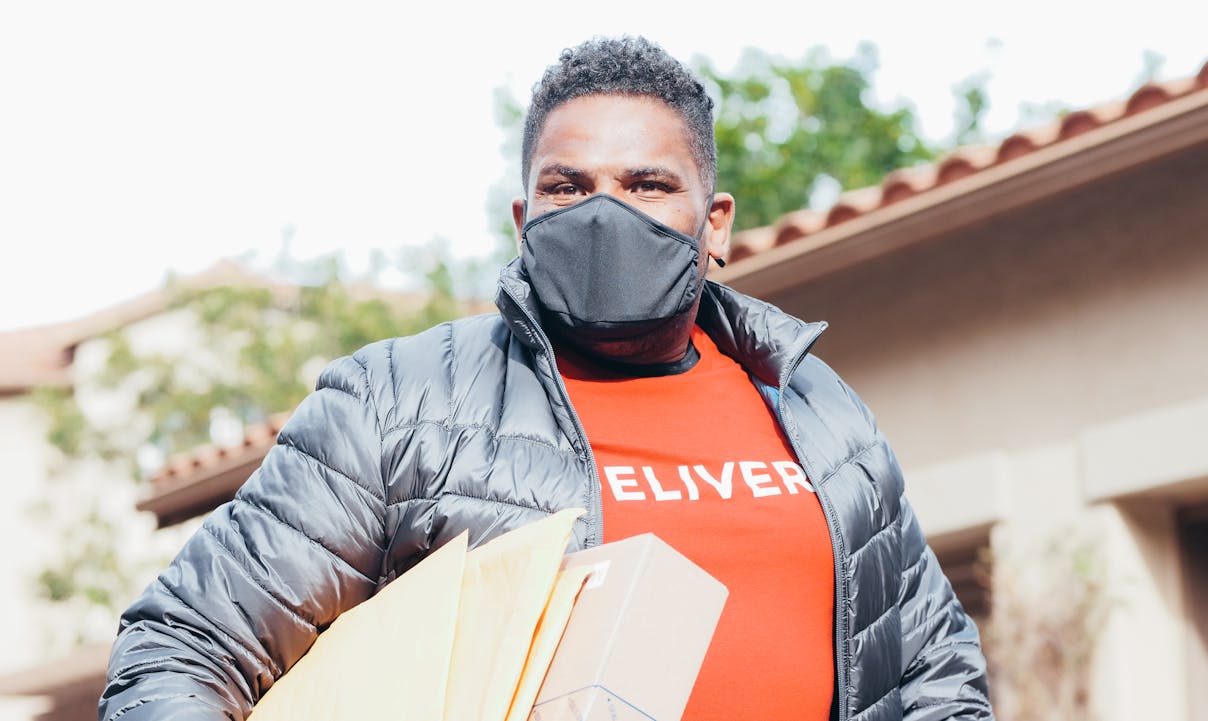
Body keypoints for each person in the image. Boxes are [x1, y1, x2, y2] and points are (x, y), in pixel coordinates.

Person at [100, 36, 992, 721]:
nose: (605, 213)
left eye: (646, 185)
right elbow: (180, 646)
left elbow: (932, 669)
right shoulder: (399, 404)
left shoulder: (819, 411)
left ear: (712, 221)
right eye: (570, 187)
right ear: (525, 217)